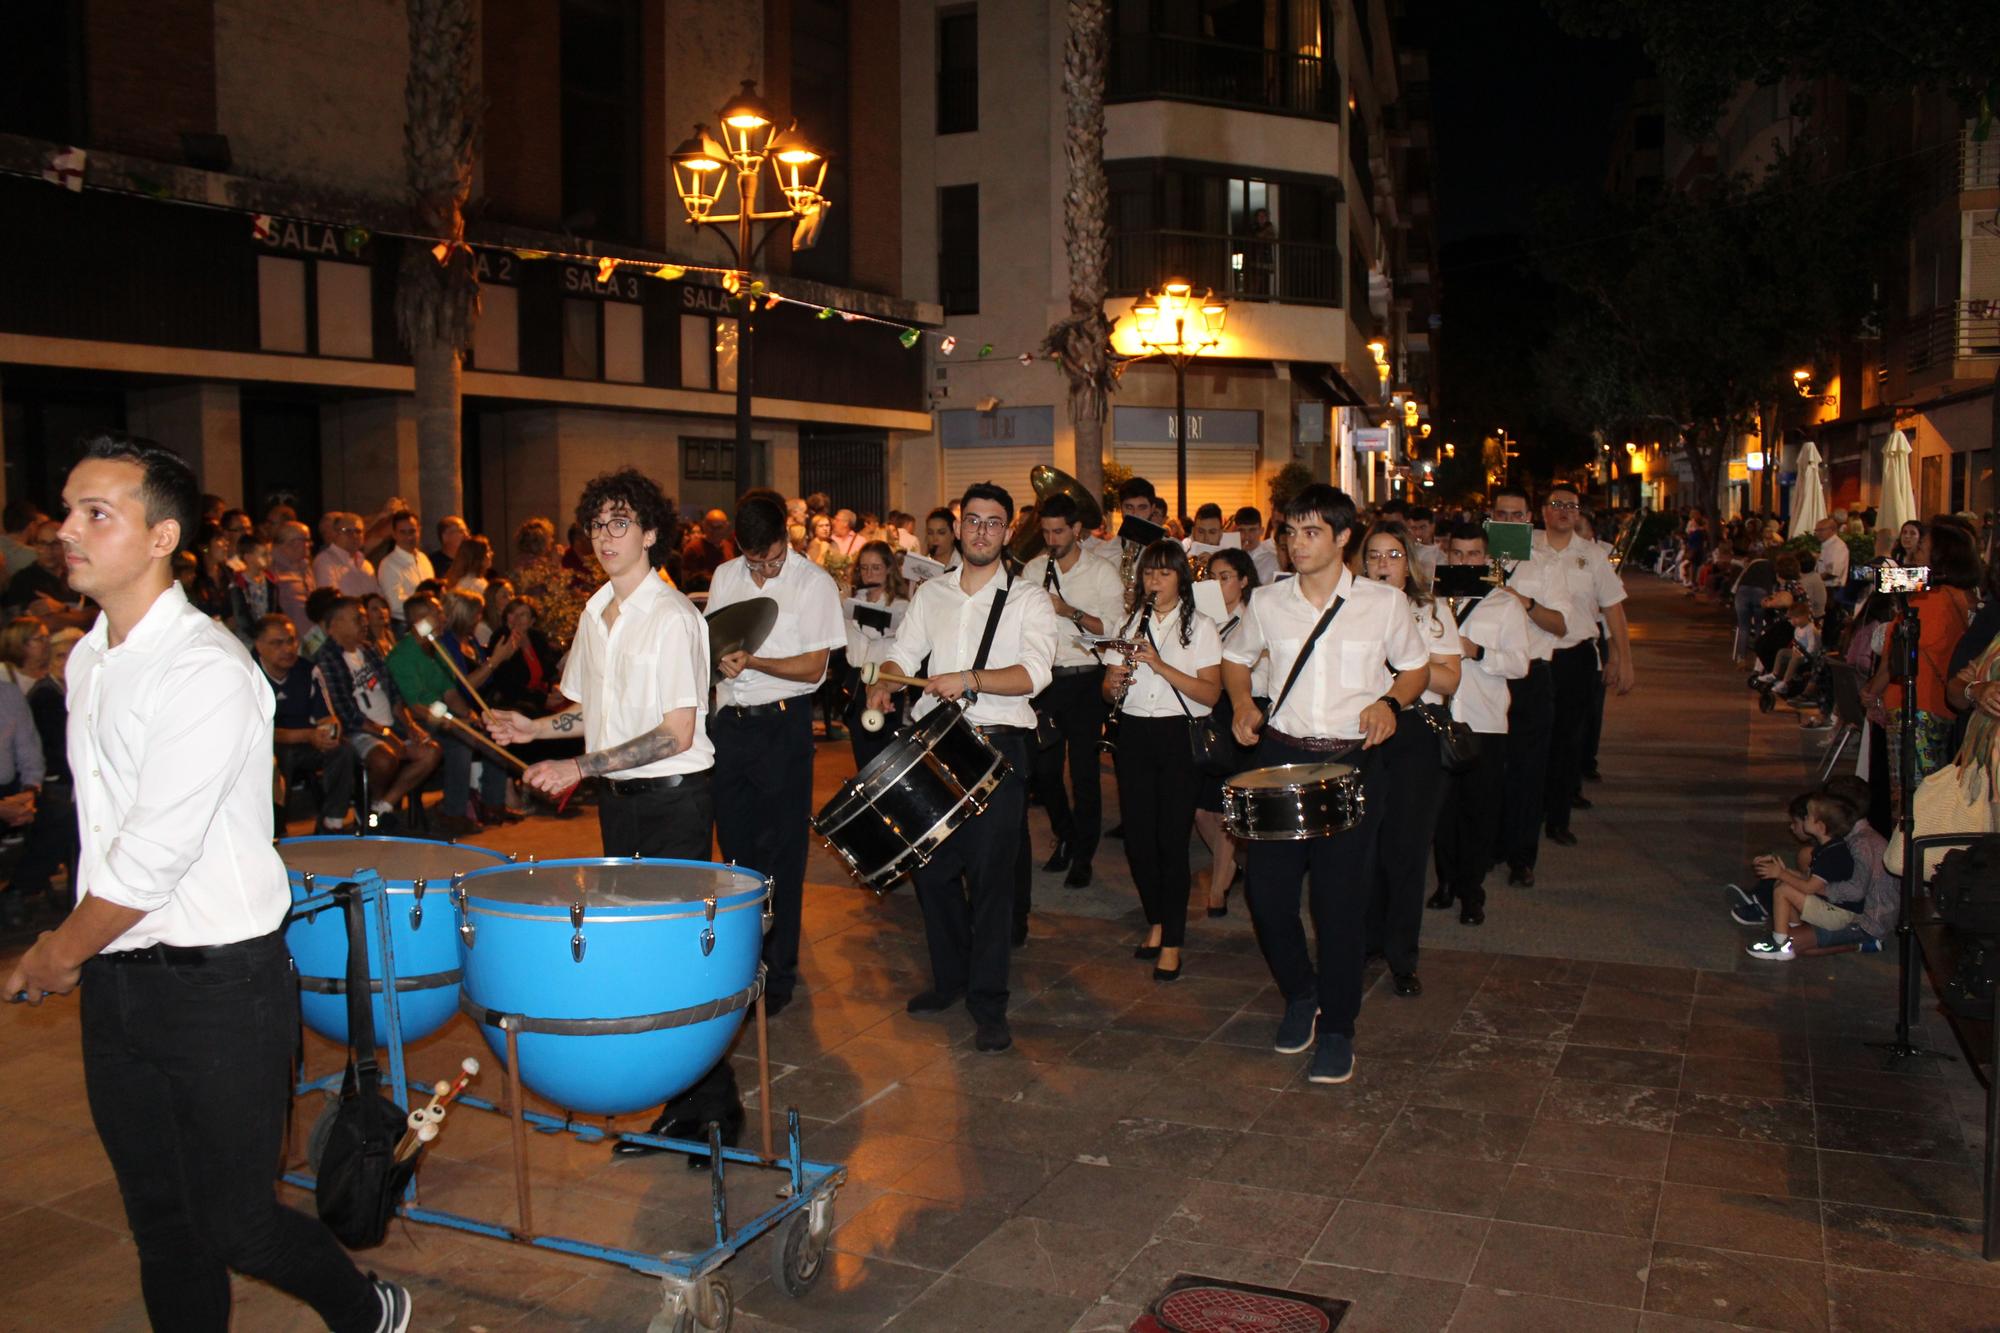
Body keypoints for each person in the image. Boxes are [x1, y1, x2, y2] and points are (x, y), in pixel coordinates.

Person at [3, 434, 410, 1332]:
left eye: (94, 513)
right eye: (67, 509)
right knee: (162, 1224)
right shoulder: (88, 660)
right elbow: (106, 830)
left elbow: (152, 858)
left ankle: (368, 1307)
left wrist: (52, 952)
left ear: (161, 536)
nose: (65, 529)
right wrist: (81, 955)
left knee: (237, 1222)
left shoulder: (205, 669)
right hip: (118, 979)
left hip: (220, 982)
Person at [486, 468, 725, 1163]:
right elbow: (594, 710)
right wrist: (535, 729)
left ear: (651, 532)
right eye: (596, 524)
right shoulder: (597, 611)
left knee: (674, 959)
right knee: (646, 956)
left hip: (676, 800)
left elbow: (675, 732)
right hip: (622, 805)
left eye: (620, 522)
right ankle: (699, 1107)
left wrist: (578, 766)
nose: (606, 536)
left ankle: (703, 1107)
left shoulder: (676, 617)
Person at [1222, 484, 1430, 1084]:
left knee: (1339, 903)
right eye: (1289, 531)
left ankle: (1338, 1026)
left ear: (1344, 538)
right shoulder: (1267, 601)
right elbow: (1238, 658)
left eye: (1311, 532)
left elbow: (1415, 668)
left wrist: (1391, 702)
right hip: (1282, 754)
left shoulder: (1382, 605)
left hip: (1351, 760)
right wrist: (1241, 702)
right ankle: (1301, 992)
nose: (1295, 543)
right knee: (1267, 896)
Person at [865, 481, 1059, 1053]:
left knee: (993, 879)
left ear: (1007, 529)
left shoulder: (1028, 600)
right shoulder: (932, 594)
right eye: (971, 521)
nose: (980, 531)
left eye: (992, 523)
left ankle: (989, 1002)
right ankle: (950, 980)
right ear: (957, 524)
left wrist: (971, 680)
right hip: (933, 742)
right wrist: (886, 680)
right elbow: (905, 650)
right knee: (930, 871)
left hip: (998, 746)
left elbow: (1034, 674)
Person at [706, 494, 844, 1017]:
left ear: (787, 538)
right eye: (754, 561)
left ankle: (781, 972)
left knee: (784, 854)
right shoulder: (725, 576)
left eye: (772, 560)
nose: (763, 571)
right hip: (732, 728)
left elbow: (814, 668)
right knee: (738, 852)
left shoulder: (814, 583)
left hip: (783, 725)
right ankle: (744, 965)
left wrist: (756, 661)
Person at [1102, 541, 1220, 981]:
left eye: (1165, 573)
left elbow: (1210, 694)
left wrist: (1159, 663)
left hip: (1176, 737)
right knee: (1137, 838)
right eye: (1149, 573)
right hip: (1134, 734)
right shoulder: (1129, 621)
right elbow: (1108, 692)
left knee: (1171, 841)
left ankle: (1173, 939)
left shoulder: (1201, 627)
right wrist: (1112, 682)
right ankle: (1156, 918)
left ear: (1180, 580)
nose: (1155, 581)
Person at [1355, 521, 1460, 998]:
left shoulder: (1431, 611)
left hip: (1415, 731)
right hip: (1361, 731)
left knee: (1407, 849)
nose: (1383, 564)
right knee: (1361, 846)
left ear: (1409, 563)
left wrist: (1403, 660)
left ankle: (1402, 955)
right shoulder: (1348, 611)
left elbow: (1449, 680)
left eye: (1393, 556)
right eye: (1374, 555)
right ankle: (1362, 943)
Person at [1020, 492, 1124, 888]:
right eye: (1045, 531)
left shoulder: (1101, 572)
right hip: (1046, 679)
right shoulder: (1033, 569)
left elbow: (1114, 630)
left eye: (1058, 531)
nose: (1051, 538)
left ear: (1077, 530)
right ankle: (1066, 834)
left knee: (1084, 774)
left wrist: (1068, 611)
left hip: (1085, 679)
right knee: (1043, 771)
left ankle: (1083, 854)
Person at [1429, 523, 1530, 925]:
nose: (1465, 562)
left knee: (1478, 811)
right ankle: (1446, 882)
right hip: (1437, 718)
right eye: (1457, 554)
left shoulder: (1503, 604)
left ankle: (1473, 891)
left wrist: (1477, 650)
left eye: (1473, 555)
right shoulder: (1431, 601)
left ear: (1486, 559)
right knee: (1441, 811)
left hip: (1484, 721)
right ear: (1446, 554)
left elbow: (1520, 664)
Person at [1532, 482, 1632, 851]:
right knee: (1532, 741)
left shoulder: (1592, 556)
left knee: (1567, 742)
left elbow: (1613, 607)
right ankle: (1529, 813)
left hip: (1574, 657)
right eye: (1556, 504)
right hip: (1533, 657)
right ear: (1543, 511)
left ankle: (1558, 818)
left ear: (1579, 514)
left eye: (1571, 506)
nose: (1563, 511)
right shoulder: (1525, 550)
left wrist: (1621, 657)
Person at [1487, 488, 1573, 888]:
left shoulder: (1546, 565)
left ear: (1528, 519)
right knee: (1487, 768)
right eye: (1501, 514)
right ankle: (1488, 847)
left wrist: (1523, 601)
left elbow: (1560, 623)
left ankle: (1522, 856)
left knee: (1527, 771)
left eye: (1515, 515)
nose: (1508, 521)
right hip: (1485, 674)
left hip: (1532, 675)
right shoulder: (1476, 558)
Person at [313, 596, 441, 831]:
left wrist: (410, 724)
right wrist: (383, 733)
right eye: (357, 618)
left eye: (363, 617)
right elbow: (345, 712)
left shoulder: (369, 650)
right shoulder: (327, 659)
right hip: (359, 731)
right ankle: (374, 813)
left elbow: (393, 695)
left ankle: (380, 807)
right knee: (385, 758)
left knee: (430, 752)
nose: (364, 623)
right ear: (335, 625)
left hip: (390, 725)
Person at [1193, 548, 1265, 916]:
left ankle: (1219, 886)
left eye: (1225, 577)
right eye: (1213, 577)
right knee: (1203, 810)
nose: (1218, 584)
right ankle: (1235, 861)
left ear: (1244, 580)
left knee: (1226, 805)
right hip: (1210, 710)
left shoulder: (1256, 617)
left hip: (1247, 707)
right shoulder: (1201, 619)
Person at [252, 613, 357, 835]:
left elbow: (328, 717)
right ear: (259, 646)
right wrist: (307, 735)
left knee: (342, 749)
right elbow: (256, 731)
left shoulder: (308, 670)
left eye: (291, 641)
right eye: (277, 643)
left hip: (307, 739)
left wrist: (329, 734)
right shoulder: (248, 675)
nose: (288, 649)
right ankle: (275, 829)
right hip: (266, 744)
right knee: (282, 757)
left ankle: (332, 821)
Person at [842, 540, 911, 769]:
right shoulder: (853, 601)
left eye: (875, 567)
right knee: (861, 754)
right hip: (855, 679)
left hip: (886, 680)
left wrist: (848, 607)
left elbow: (875, 631)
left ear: (889, 568)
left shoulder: (900, 605)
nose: (868, 574)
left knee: (883, 755)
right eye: (863, 568)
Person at [376, 509, 435, 626]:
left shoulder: (423, 558)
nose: (408, 537)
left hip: (428, 622)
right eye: (402, 532)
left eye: (412, 531)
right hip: (405, 625)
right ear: (394, 534)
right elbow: (394, 603)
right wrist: (426, 605)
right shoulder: (388, 564)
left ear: (419, 531)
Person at [227, 534, 279, 641]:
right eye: (264, 555)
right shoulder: (238, 585)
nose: (270, 558)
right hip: (248, 640)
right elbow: (241, 616)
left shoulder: (270, 582)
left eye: (269, 554)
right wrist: (258, 637)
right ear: (248, 558)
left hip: (267, 637)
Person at [312, 512, 377, 597]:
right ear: (335, 534)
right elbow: (329, 602)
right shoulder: (324, 561)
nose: (354, 535)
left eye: (358, 531)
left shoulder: (366, 565)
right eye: (347, 531)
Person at [269, 519, 316, 630]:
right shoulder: (272, 571)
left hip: (312, 638)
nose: (310, 544)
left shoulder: (306, 567)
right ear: (292, 543)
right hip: (288, 639)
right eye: (307, 540)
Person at [678, 508, 737, 591]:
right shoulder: (693, 549)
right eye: (711, 527)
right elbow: (687, 583)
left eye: (719, 527)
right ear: (704, 526)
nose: (715, 531)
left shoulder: (729, 546)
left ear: (726, 527)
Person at [0, 614, 51, 694]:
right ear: (19, 643)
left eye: (47, 637)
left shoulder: (54, 670)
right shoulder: (3, 673)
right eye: (40, 639)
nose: (47, 643)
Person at [1233, 506, 1280, 584]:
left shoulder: (1273, 561)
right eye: (1241, 530)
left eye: (1252, 530)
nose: (1247, 536)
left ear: (1261, 531)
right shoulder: (1229, 559)